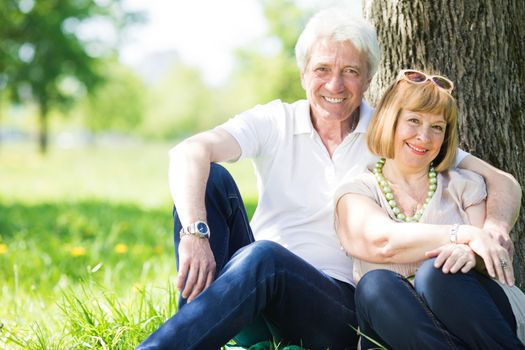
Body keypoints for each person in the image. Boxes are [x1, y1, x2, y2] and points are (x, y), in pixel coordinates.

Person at [137, 7, 521, 350]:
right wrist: (194, 232)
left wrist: (493, 229)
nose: (335, 86)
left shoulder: (390, 132)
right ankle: (192, 329)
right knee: (211, 181)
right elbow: (189, 151)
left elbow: (502, 181)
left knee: (266, 257)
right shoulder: (276, 120)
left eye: (350, 72)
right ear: (304, 73)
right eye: (322, 69)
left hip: (334, 309)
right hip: (249, 286)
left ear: (368, 77)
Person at [334, 69, 525, 350]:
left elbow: (490, 256)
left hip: (481, 323)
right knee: (375, 284)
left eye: (437, 127)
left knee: (438, 274)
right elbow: (382, 242)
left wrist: (469, 251)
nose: (424, 136)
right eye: (413, 120)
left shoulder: (465, 185)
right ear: (390, 122)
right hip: (402, 329)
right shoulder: (357, 192)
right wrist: (463, 234)